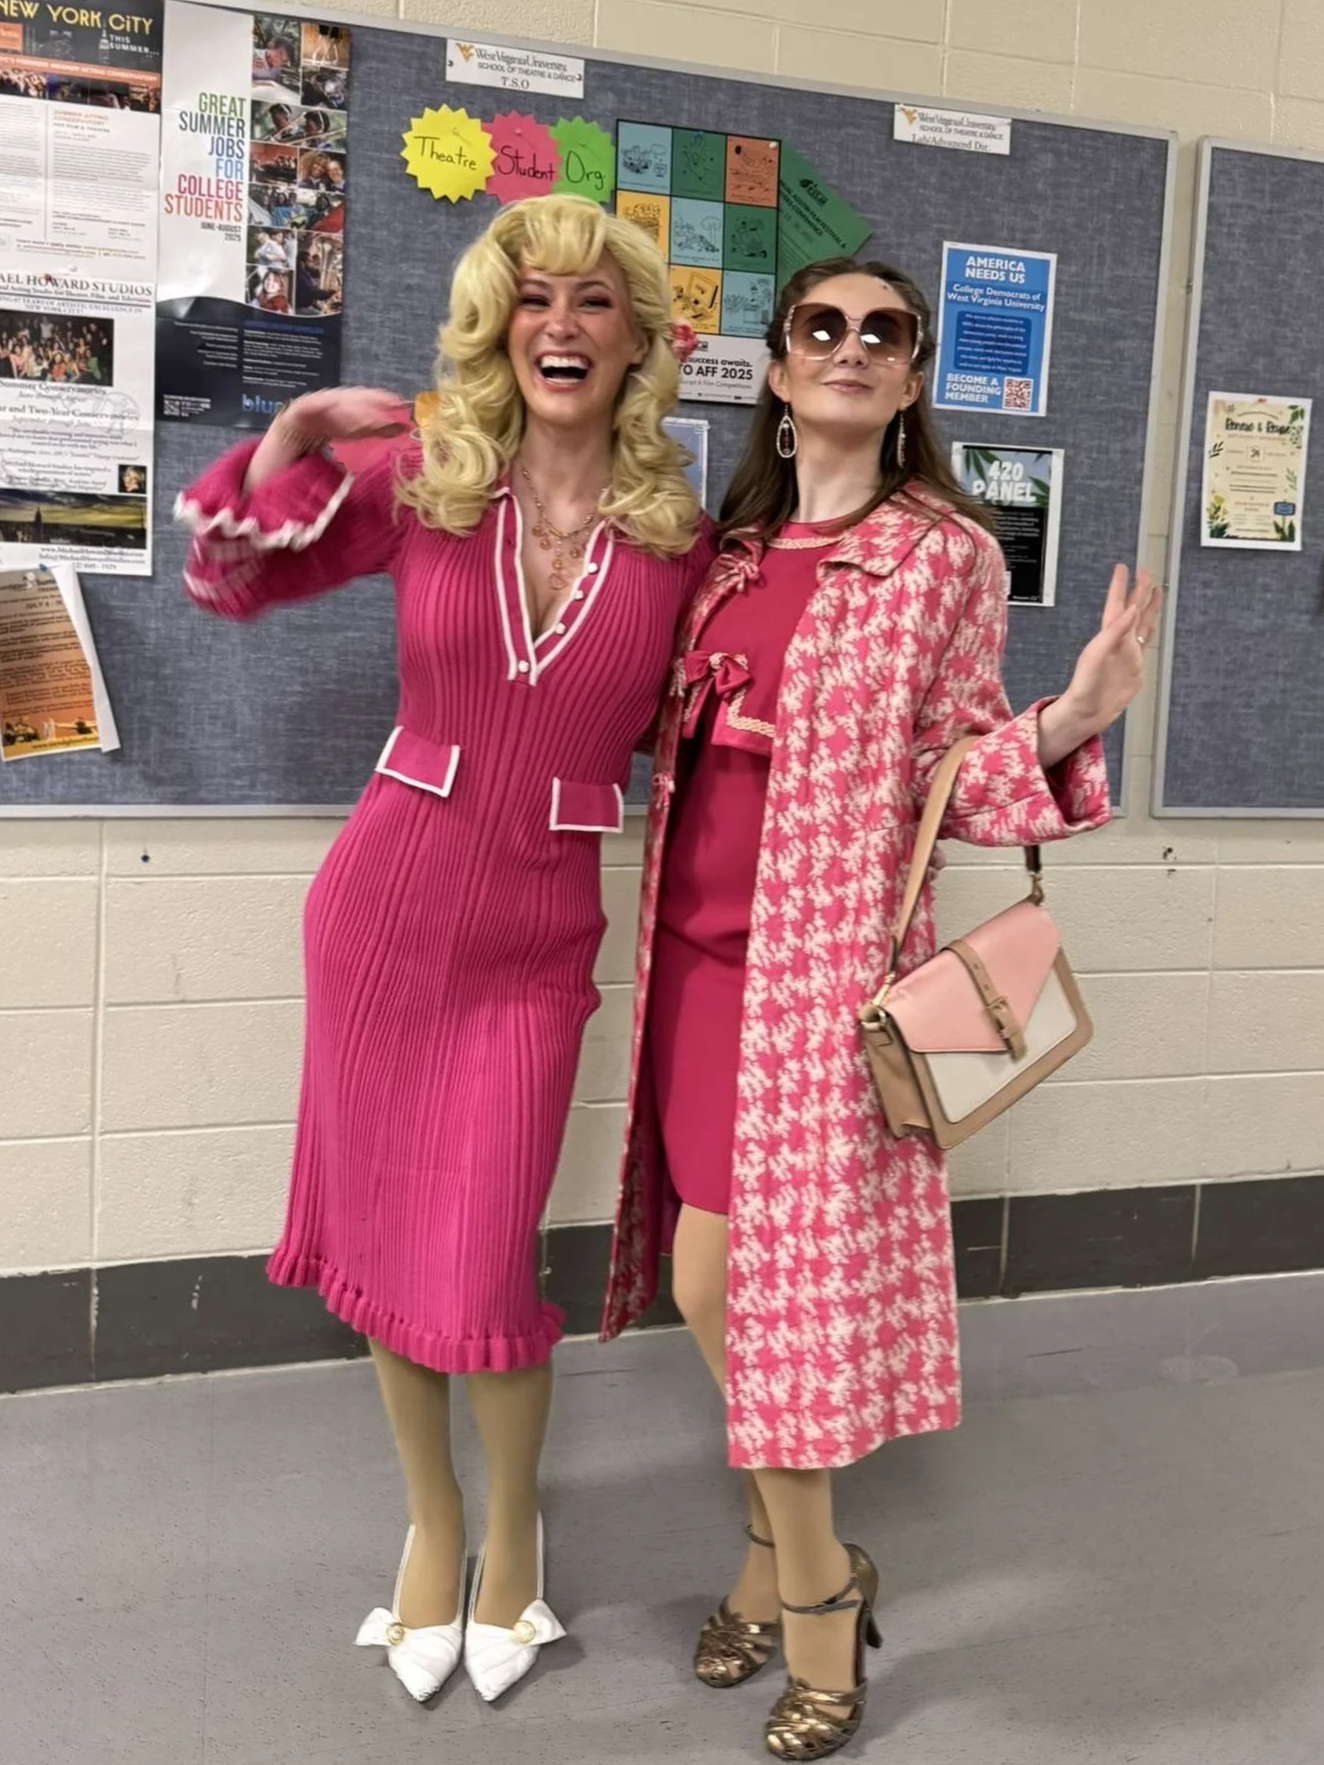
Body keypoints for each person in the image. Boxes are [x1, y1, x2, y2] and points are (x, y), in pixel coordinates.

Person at [601, 256, 1160, 1761]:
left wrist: (1073, 719)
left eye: (885, 334)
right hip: (689, 969)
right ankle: (785, 1562)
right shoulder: (723, 552)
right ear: (779, 375)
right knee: (711, 1291)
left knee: (742, 1303)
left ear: (912, 380)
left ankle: (821, 1604)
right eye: (821, 329)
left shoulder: (945, 557)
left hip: (817, 982)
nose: (852, 350)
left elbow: (963, 776)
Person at [174, 193, 707, 1709]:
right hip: (382, 908)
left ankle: (517, 1527)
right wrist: (288, 441)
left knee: (477, 1252)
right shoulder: (429, 478)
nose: (560, 324)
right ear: (496, 323)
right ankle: (434, 1523)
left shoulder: (682, 533)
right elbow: (228, 582)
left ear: (635, 338)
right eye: (532, 298)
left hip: (539, 938)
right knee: (379, 1245)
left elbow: (738, 722)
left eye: (594, 302)